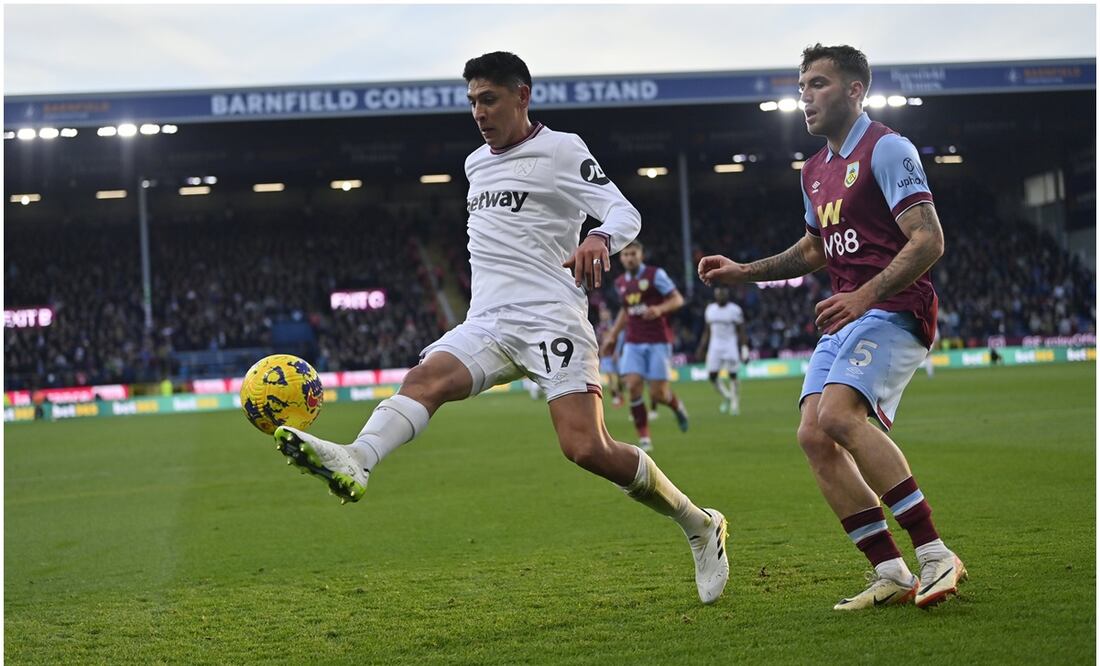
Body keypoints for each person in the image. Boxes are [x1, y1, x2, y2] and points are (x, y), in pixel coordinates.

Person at [275, 51, 728, 605]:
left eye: (488, 99)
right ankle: (358, 459)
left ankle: (699, 524)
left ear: (522, 95)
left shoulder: (561, 150)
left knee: (586, 448)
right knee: (423, 379)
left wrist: (598, 238)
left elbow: (624, 212)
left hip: (551, 317)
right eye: (471, 101)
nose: (478, 112)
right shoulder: (475, 164)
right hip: (487, 320)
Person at [698, 44, 964, 610]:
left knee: (839, 415)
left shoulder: (887, 149)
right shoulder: (814, 170)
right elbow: (815, 249)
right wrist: (743, 272)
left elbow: (929, 239)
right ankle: (890, 571)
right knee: (813, 435)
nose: (805, 97)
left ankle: (936, 553)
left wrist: (865, 294)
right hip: (849, 316)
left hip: (894, 308)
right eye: (802, 88)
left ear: (854, 90)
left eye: (818, 84)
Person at [601, 241, 690, 452]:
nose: (629, 258)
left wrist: (660, 309)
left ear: (641, 255)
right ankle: (644, 438)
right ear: (621, 258)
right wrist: (612, 336)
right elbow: (626, 310)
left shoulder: (655, 275)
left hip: (658, 340)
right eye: (626, 255)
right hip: (633, 341)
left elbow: (677, 299)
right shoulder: (620, 282)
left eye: (633, 253)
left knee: (659, 394)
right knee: (632, 385)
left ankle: (677, 407)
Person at [695, 287, 746, 414]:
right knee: (712, 376)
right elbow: (707, 331)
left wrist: (744, 349)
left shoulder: (735, 310)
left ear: (727, 294)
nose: (721, 296)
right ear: (715, 295)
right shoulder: (711, 310)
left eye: (723, 294)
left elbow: (741, 331)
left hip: (730, 345)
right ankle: (727, 396)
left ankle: (735, 403)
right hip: (715, 346)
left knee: (733, 375)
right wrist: (702, 347)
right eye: (719, 294)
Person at [595, 303, 625, 407]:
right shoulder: (599, 328)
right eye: (601, 313)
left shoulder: (613, 325)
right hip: (606, 356)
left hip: (616, 355)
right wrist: (598, 355)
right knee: (610, 378)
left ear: (609, 313)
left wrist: (617, 351)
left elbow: (620, 338)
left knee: (621, 378)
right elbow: (598, 342)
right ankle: (616, 398)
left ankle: (620, 394)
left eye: (605, 313)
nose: (603, 315)